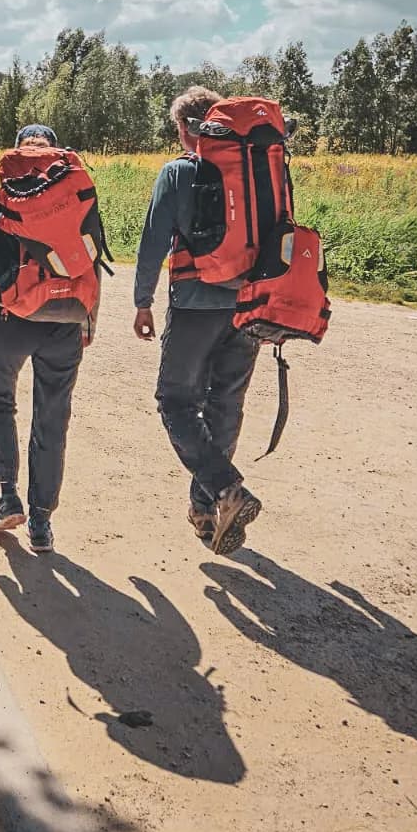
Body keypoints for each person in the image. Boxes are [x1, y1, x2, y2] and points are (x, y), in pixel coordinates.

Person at [0, 124, 110, 554]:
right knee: (52, 418)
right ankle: (41, 522)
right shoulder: (80, 199)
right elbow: (93, 263)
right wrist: (88, 322)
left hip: (8, 319)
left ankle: (7, 497)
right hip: (65, 322)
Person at [133, 86, 262, 554]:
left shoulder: (177, 173)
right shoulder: (253, 171)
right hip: (249, 305)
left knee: (175, 400)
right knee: (225, 404)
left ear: (185, 129)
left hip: (194, 306)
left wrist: (143, 301)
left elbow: (152, 244)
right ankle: (206, 509)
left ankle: (226, 491)